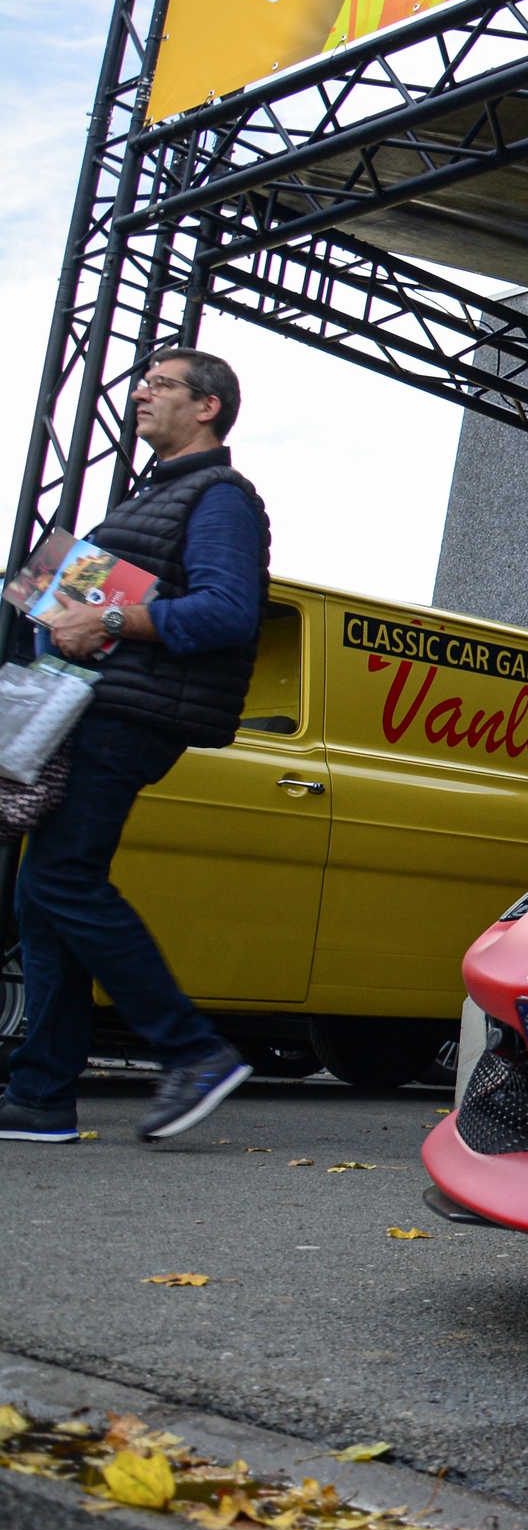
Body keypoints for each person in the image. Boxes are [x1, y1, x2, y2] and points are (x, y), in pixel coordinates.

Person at [0, 349, 270, 1145]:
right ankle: (42, 1093)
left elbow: (227, 613)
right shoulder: (154, 494)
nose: (139, 394)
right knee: (40, 894)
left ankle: (194, 1051)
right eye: (140, 382)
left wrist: (107, 619)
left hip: (129, 717)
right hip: (93, 709)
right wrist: (45, 600)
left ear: (209, 406)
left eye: (160, 384)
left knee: (60, 879)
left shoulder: (221, 497)